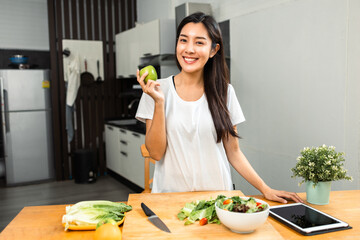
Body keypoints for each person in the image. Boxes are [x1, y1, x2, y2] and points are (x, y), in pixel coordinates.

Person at [135, 12, 302, 203]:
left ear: (213, 50)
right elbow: (155, 153)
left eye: (199, 42)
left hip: (217, 201)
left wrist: (265, 188)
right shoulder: (155, 90)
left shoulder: (225, 92)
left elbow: (234, 152)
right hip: (169, 200)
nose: (189, 49)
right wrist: (159, 103)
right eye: (183, 40)